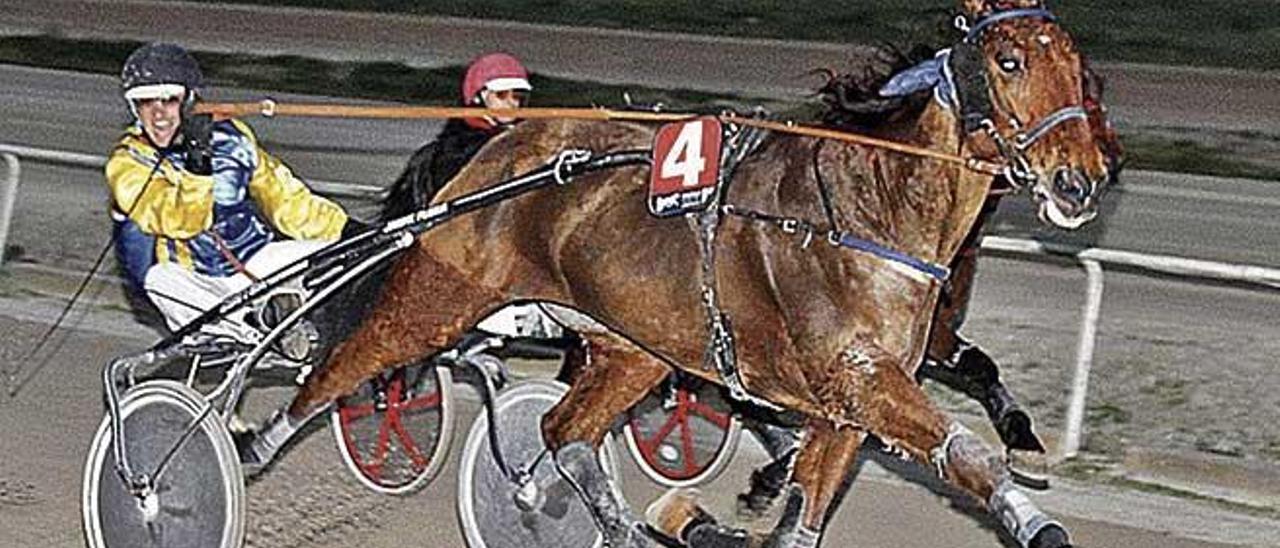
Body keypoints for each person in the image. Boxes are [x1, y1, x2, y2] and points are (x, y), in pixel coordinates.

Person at [107, 43, 357, 333]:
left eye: (169, 100)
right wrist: (197, 167)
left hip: (256, 260)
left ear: (190, 100)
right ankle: (253, 329)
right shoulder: (127, 162)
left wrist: (345, 229)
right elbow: (180, 222)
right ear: (134, 109)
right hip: (197, 283)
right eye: (146, 103)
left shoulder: (232, 138)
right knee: (159, 280)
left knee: (340, 256)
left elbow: (285, 199)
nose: (158, 115)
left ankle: (286, 322)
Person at [379, 52, 532, 221]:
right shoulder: (454, 150)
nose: (511, 103)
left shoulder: (524, 138)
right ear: (479, 96)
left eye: (517, 97)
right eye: (501, 95)